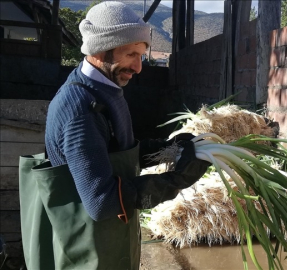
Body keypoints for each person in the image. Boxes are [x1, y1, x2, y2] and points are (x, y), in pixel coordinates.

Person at [19, 2, 209, 270]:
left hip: (110, 243)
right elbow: (101, 202)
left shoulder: (104, 89)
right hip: (87, 252)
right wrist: (176, 180)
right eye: (131, 54)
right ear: (100, 49)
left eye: (141, 55)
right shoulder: (81, 109)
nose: (139, 67)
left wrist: (170, 148)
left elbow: (117, 152)